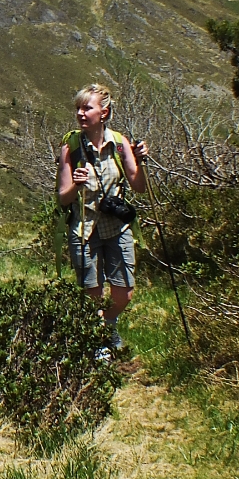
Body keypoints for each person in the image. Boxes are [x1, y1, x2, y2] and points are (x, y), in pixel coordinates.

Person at [56, 84, 149, 353]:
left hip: (117, 227)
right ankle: (99, 346)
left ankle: (108, 323)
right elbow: (63, 197)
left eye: (87, 108)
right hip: (84, 228)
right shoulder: (70, 146)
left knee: (124, 293)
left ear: (104, 112)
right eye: (78, 108)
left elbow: (139, 186)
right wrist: (76, 184)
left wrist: (140, 161)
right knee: (91, 296)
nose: (81, 114)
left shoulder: (119, 144)